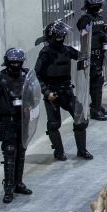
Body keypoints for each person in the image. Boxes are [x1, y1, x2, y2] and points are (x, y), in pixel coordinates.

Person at [35, 21, 92, 161]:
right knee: (54, 124)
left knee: (80, 119)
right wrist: (46, 92)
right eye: (58, 35)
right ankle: (59, 152)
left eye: (62, 35)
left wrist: (88, 49)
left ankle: (82, 150)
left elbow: (82, 57)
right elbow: (37, 75)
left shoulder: (66, 49)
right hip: (52, 94)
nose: (61, 37)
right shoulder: (45, 53)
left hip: (67, 91)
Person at [0, 47, 36, 203]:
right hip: (7, 122)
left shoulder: (27, 76)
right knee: (9, 153)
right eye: (12, 62)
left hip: (23, 120)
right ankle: (8, 188)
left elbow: (33, 96)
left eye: (18, 62)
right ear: (7, 62)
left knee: (21, 152)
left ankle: (18, 183)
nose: (15, 65)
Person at [75, 0, 107, 119]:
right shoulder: (85, 19)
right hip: (90, 55)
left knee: (98, 81)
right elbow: (84, 35)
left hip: (99, 55)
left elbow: (102, 32)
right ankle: (95, 110)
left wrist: (106, 34)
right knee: (95, 82)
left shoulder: (99, 18)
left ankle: (97, 105)